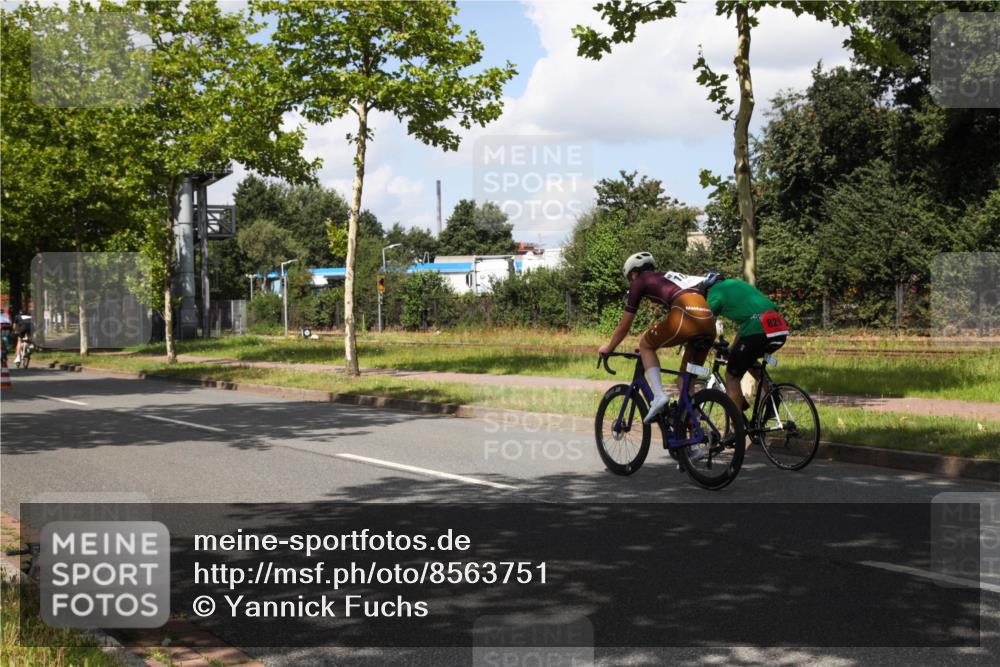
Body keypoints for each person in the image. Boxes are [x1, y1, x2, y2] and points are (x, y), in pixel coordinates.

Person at [598, 252, 716, 424]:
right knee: (686, 383)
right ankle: (693, 443)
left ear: (633, 273)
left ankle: (659, 395)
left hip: (686, 315)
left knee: (646, 344)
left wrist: (609, 348)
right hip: (708, 321)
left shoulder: (639, 281)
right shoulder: (669, 277)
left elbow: (625, 326)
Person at [704, 277, 789, 413]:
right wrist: (732, 349)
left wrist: (705, 340)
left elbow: (704, 319)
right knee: (747, 358)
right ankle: (771, 394)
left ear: (708, 288)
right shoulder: (738, 285)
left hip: (757, 330)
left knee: (732, 377)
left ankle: (736, 428)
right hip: (779, 328)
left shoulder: (715, 291)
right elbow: (748, 323)